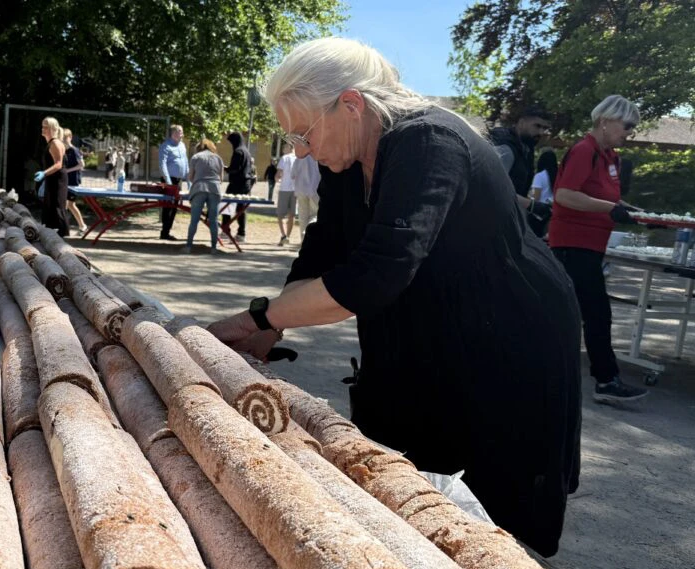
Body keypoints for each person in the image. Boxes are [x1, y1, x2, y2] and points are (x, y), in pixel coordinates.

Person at [207, 37, 582, 557]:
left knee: (489, 521)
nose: (300, 150)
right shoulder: (346, 157)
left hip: (506, 338)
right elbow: (323, 251)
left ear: (352, 104)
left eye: (303, 132)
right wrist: (273, 326)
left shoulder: (429, 143)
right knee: (391, 476)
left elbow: (375, 276)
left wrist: (256, 318)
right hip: (425, 328)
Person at [550, 94, 648, 404]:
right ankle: (606, 380)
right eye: (627, 125)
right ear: (605, 121)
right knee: (595, 313)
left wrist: (636, 215)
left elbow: (608, 202)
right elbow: (564, 195)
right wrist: (611, 208)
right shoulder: (584, 151)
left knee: (575, 312)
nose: (629, 132)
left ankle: (595, 378)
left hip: (590, 246)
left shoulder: (610, 158)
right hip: (572, 244)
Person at [490, 107, 553, 237]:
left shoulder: (524, 149)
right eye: (537, 126)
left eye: (544, 128)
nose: (541, 132)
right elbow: (493, 189)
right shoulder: (505, 148)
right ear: (522, 122)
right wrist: (532, 205)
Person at [185, 138, 225, 253]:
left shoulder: (196, 157)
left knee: (194, 220)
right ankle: (213, 248)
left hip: (199, 188)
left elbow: (191, 177)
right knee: (214, 220)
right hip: (215, 190)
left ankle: (188, 246)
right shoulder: (218, 158)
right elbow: (221, 179)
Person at [34, 117, 69, 236]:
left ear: (53, 129)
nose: (43, 129)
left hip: (58, 179)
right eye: (42, 126)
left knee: (57, 206)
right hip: (52, 178)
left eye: (46, 127)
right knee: (50, 205)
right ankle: (51, 233)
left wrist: (44, 173)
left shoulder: (55, 143)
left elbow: (58, 164)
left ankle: (62, 234)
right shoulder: (50, 143)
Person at [159, 125, 188, 240]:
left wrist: (188, 179)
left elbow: (185, 162)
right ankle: (164, 233)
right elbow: (162, 164)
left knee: (175, 206)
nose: (181, 133)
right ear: (173, 133)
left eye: (182, 131)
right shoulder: (165, 146)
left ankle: (167, 231)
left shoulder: (182, 145)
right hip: (169, 180)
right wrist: (168, 182)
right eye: (179, 131)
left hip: (179, 180)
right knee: (168, 207)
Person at [223, 131, 253, 240]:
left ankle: (226, 230)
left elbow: (235, 169)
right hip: (246, 184)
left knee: (226, 206)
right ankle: (241, 233)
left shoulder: (238, 152)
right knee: (241, 209)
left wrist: (226, 169)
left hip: (236, 184)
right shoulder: (246, 151)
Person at [62, 128, 88, 233]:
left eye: (65, 138)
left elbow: (82, 165)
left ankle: (64, 227)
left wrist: (68, 171)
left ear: (70, 138)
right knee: (68, 205)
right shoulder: (64, 151)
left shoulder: (74, 150)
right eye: (61, 138)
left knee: (69, 205)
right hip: (66, 181)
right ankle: (82, 226)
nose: (63, 140)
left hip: (73, 182)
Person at [292, 154, 321, 240]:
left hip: (301, 190)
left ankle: (303, 240)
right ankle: (308, 232)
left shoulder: (300, 156)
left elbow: (292, 174)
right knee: (316, 214)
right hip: (315, 190)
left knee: (303, 217)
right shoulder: (319, 156)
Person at [273, 146, 297, 245]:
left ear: (288, 147)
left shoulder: (285, 158)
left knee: (281, 214)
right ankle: (288, 235)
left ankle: (283, 235)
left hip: (284, 188)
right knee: (292, 214)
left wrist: (276, 179)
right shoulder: (299, 158)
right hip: (296, 189)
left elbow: (278, 174)